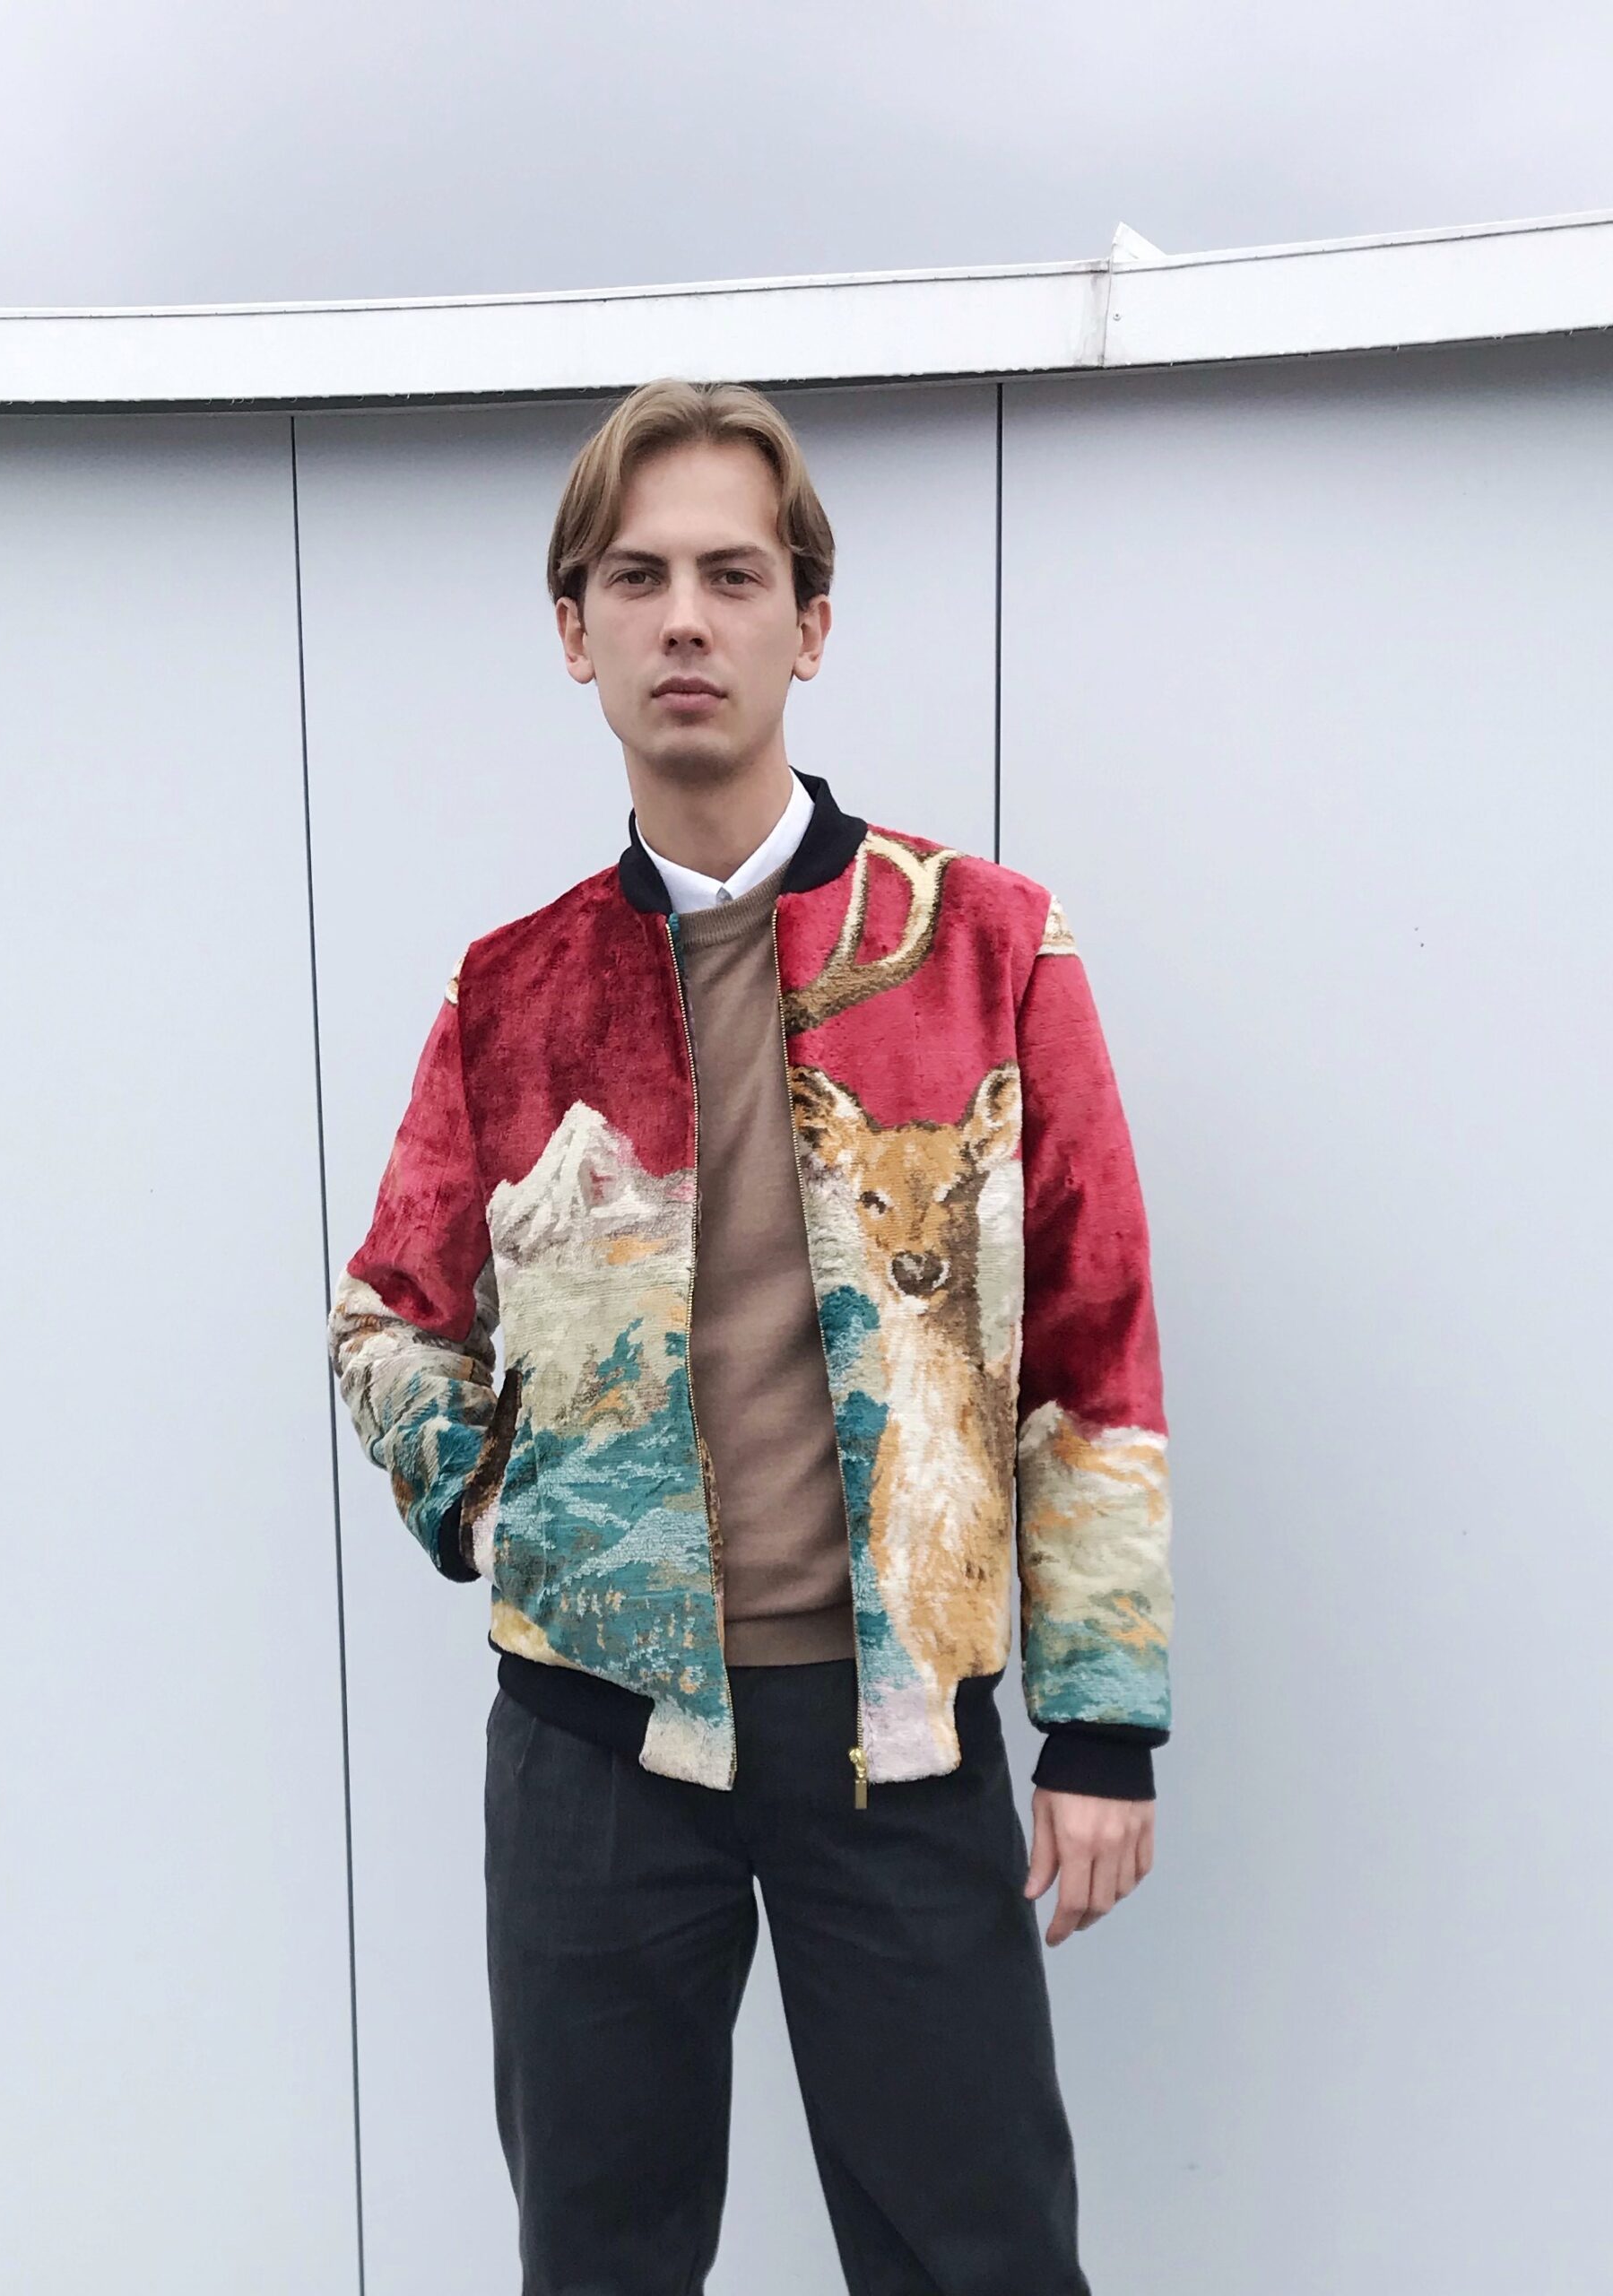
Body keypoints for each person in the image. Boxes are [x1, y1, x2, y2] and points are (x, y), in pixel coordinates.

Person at [327, 377, 1174, 2296]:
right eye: (637, 579)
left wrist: (1102, 1720)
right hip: (595, 1744)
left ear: (811, 621)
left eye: (732, 573)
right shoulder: (509, 988)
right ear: (576, 632)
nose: (685, 619)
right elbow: (391, 1313)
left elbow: (1095, 1332)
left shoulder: (989, 943)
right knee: (601, 2258)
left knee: (977, 2254)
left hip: (900, 1734)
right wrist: (509, 1510)